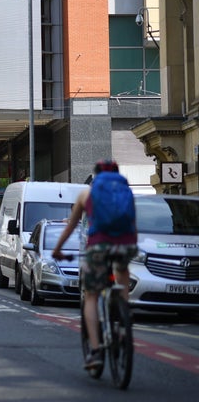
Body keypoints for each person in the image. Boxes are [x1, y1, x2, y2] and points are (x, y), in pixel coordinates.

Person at [52, 159, 138, 371]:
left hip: (98, 246)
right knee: (122, 270)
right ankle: (123, 310)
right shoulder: (126, 192)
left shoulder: (87, 194)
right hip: (125, 245)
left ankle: (96, 350)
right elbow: (133, 223)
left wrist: (57, 250)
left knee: (91, 295)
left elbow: (71, 226)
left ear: (95, 175)